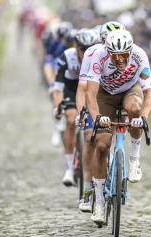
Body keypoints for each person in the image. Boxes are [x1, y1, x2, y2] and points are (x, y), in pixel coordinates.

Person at [85, 30, 151, 223]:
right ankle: (99, 202)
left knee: (135, 109)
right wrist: (97, 117)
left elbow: (149, 93)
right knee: (101, 145)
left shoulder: (140, 55)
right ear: (108, 51)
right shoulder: (98, 56)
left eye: (124, 55)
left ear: (130, 51)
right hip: (105, 95)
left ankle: (134, 158)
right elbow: (90, 94)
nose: (120, 60)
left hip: (130, 91)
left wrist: (143, 117)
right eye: (115, 56)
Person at [76, 21, 126, 212]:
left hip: (116, 98)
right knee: (90, 138)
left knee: (110, 138)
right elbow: (83, 89)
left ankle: (115, 166)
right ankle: (88, 191)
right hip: (95, 98)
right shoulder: (92, 53)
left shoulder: (128, 55)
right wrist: (82, 111)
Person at [52, 28, 99, 186]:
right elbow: (57, 87)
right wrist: (58, 106)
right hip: (71, 89)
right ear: (76, 48)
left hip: (90, 89)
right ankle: (69, 168)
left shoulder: (99, 57)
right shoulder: (67, 57)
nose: (86, 53)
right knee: (71, 120)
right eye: (83, 49)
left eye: (89, 50)